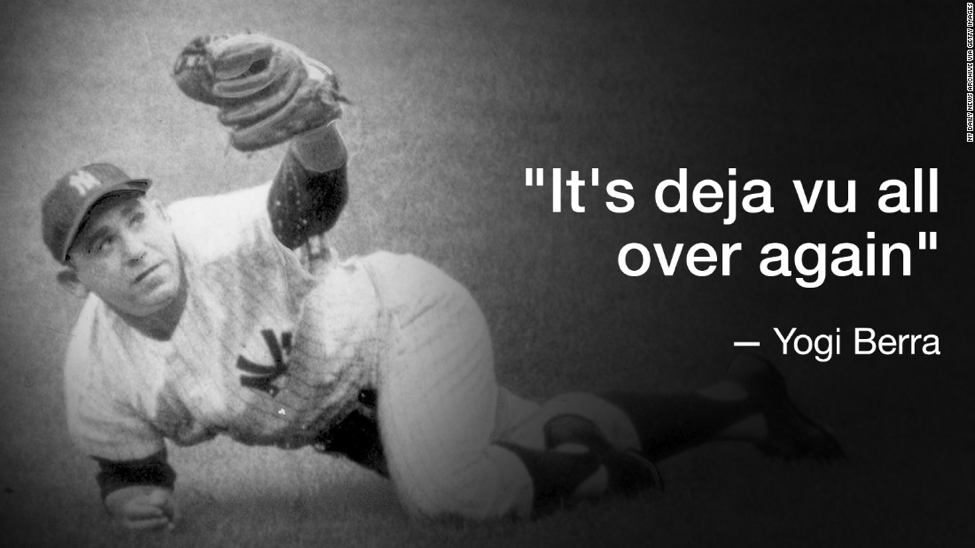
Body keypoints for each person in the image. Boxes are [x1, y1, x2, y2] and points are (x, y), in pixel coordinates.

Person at [42, 38, 843, 532]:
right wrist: (129, 499)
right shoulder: (100, 372)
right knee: (528, 437)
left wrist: (314, 129)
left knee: (447, 492)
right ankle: (743, 405)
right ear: (74, 281)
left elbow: (307, 199)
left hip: (402, 321)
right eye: (102, 245)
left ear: (158, 211)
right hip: (341, 413)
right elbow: (127, 466)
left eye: (136, 219)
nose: (134, 249)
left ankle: (607, 476)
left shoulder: (215, 232)